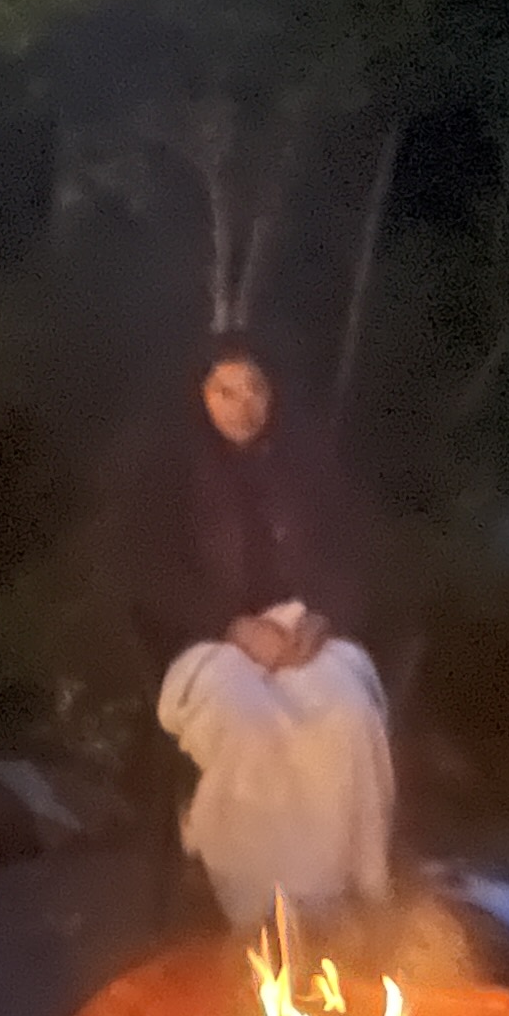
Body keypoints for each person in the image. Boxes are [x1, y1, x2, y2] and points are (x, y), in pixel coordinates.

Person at [126, 332, 395, 935]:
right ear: (200, 396)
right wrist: (230, 623)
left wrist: (325, 616)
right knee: (247, 726)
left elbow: (354, 553)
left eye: (254, 389)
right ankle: (258, 896)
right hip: (211, 638)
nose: (241, 405)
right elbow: (149, 570)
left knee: (348, 719)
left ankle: (334, 887)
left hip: (304, 629)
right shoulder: (166, 470)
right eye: (225, 391)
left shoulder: (310, 461)